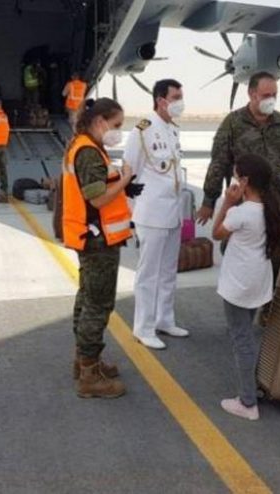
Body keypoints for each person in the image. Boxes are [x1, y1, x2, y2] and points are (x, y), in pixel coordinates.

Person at [62, 98, 143, 398]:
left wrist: (120, 182)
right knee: (98, 305)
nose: (118, 131)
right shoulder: (88, 152)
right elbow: (97, 198)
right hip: (98, 240)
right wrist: (125, 179)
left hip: (91, 237)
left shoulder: (84, 145)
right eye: (116, 124)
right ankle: (89, 376)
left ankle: (84, 361)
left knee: (87, 299)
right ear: (99, 122)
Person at [197, 71, 280, 267]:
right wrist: (209, 201)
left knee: (274, 261)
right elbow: (218, 163)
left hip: (275, 210)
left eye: (274, 95)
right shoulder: (233, 123)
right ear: (252, 94)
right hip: (242, 207)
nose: (271, 99)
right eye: (266, 95)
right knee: (240, 261)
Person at [212, 154, 280, 421]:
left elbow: (216, 233)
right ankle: (253, 387)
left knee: (241, 340)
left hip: (238, 284)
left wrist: (227, 203)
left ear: (244, 181)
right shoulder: (271, 210)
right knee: (248, 336)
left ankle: (247, 402)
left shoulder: (240, 213)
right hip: (258, 282)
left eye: (236, 176)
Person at [123, 78, 187, 350]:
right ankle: (144, 328)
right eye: (176, 97)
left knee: (168, 271)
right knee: (148, 274)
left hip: (173, 211)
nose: (180, 102)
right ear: (161, 100)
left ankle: (164, 319)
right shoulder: (143, 129)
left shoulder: (171, 130)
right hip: (151, 213)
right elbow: (130, 171)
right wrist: (131, 211)